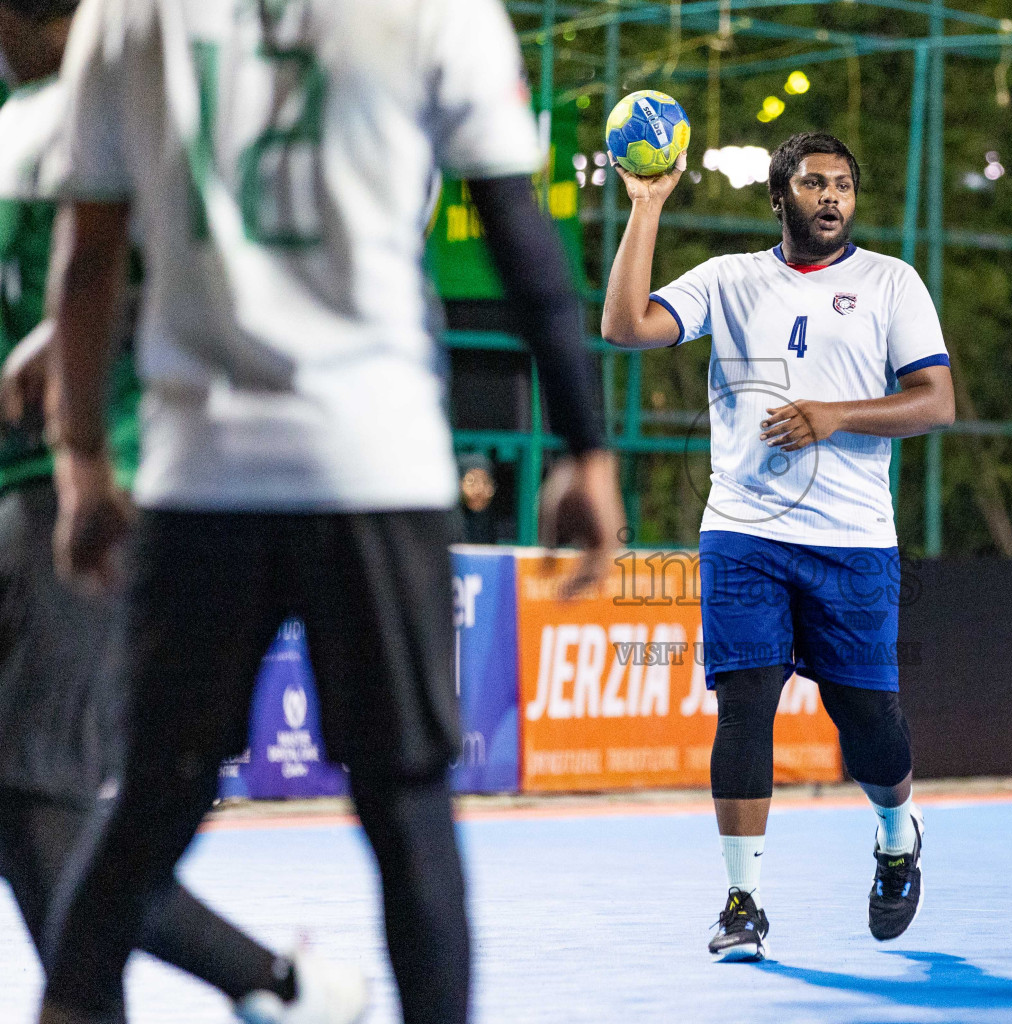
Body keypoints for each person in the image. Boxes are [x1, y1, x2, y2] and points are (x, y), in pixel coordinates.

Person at [36, 1, 620, 1022]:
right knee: (406, 809)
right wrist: (586, 446)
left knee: (151, 806)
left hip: (202, 472)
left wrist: (81, 458)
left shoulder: (128, 13)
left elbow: (90, 256)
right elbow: (521, 236)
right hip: (377, 463)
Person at [0, 3, 364, 1021]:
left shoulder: (153, 108)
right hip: (33, 493)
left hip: (92, 490)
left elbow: (190, 263)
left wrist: (69, 365)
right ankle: (279, 984)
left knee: (40, 798)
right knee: (31, 811)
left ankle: (274, 985)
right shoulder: (29, 119)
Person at [602, 131, 954, 961]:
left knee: (866, 723)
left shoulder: (891, 282)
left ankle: (898, 836)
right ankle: (741, 900)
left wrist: (835, 414)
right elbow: (624, 324)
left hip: (853, 540)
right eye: (813, 182)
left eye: (843, 184)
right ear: (779, 196)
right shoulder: (730, 278)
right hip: (744, 531)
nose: (831, 196)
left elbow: (936, 402)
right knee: (746, 703)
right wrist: (647, 206)